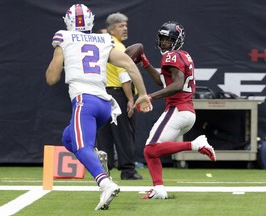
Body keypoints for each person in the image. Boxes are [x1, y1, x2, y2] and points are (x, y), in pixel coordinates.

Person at [45, 4, 152, 210]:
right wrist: (143, 94)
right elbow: (130, 64)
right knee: (68, 139)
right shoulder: (103, 39)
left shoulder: (64, 37)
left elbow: (51, 78)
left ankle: (105, 183)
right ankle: (96, 157)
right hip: (105, 105)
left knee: (80, 146)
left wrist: (60, 55)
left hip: (85, 101)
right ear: (92, 21)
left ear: (68, 22)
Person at [138, 21, 216, 199]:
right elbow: (164, 81)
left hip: (177, 109)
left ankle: (196, 144)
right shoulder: (183, 55)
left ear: (177, 41)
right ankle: (159, 189)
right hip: (186, 112)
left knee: (150, 149)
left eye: (169, 39)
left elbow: (177, 85)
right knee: (152, 150)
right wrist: (145, 63)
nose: (165, 42)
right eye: (163, 38)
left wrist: (149, 97)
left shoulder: (171, 56)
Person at [96, 12, 142, 180]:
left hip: (101, 94)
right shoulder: (120, 48)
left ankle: (103, 171)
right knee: (124, 133)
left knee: (104, 134)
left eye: (126, 25)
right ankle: (128, 171)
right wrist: (130, 99)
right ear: (112, 29)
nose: (125, 28)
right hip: (118, 95)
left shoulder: (102, 44)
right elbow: (124, 77)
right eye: (121, 26)